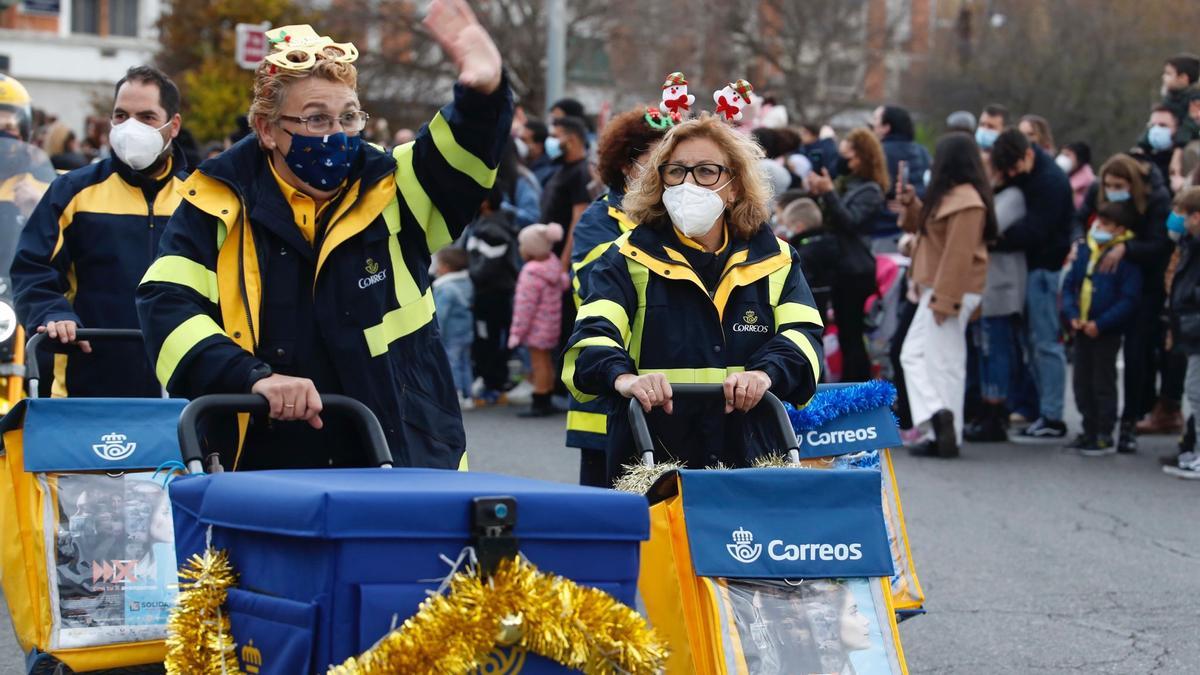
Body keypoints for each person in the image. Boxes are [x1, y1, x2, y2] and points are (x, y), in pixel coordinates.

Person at [136, 6, 512, 470]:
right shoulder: (214, 205)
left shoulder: (391, 185)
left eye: (348, 117)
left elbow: (460, 158)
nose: (337, 135)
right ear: (267, 130)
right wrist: (251, 378)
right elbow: (166, 305)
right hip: (263, 458)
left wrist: (482, 90)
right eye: (316, 120)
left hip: (398, 451)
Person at [563, 114, 823, 474]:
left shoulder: (776, 258)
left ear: (734, 186)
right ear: (660, 180)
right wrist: (626, 379)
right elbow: (591, 338)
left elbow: (804, 338)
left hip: (749, 455)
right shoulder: (625, 256)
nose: (689, 183)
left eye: (706, 171)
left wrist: (764, 375)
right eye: (676, 171)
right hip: (652, 457)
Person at [14, 66, 188, 398]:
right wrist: (53, 313)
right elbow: (32, 269)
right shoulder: (71, 192)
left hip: (178, 394)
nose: (130, 127)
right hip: (86, 389)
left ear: (173, 126)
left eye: (146, 117)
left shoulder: (199, 199)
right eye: (121, 115)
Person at [566, 105, 671, 486]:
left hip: (669, 398)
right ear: (627, 166)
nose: (668, 172)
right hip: (609, 396)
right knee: (608, 520)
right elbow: (595, 294)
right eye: (656, 160)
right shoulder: (600, 221)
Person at [897, 133, 994, 457]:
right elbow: (929, 235)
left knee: (925, 357)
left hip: (948, 290)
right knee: (942, 362)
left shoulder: (966, 200)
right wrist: (911, 204)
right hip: (944, 289)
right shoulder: (957, 197)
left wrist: (946, 298)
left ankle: (938, 419)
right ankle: (941, 426)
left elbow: (958, 253)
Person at [1074, 154, 1173, 449]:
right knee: (1095, 361)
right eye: (1109, 185)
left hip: (1144, 282)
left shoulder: (1157, 197)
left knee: (1136, 354)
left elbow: (1161, 243)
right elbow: (1078, 220)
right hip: (1104, 281)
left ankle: (1129, 420)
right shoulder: (1097, 190)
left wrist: (1126, 249)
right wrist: (1080, 241)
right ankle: (1095, 422)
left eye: (1119, 185)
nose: (1113, 189)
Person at [989, 129, 1074, 443]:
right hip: (1033, 269)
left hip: (1043, 269)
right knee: (1034, 343)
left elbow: (1035, 230)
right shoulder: (1032, 174)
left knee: (1045, 343)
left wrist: (996, 240)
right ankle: (1042, 410)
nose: (1011, 176)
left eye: (1013, 169)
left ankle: (1052, 415)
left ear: (1026, 155)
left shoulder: (1048, 182)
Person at [1062, 202, 1143, 455]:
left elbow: (1129, 299)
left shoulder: (1124, 259)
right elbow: (1069, 286)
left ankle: (1104, 433)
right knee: (1081, 382)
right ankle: (1088, 428)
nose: (1099, 227)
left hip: (1105, 331)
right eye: (1098, 222)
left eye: (1106, 224)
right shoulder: (1086, 250)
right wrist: (1072, 315)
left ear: (1120, 230)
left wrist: (1103, 323)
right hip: (1082, 328)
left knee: (1103, 382)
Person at [807, 128, 887, 383]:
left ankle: (859, 386)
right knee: (843, 332)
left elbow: (849, 222)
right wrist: (819, 193)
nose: (843, 162)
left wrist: (829, 192)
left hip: (856, 270)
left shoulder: (870, 190)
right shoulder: (845, 183)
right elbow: (828, 219)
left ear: (863, 157)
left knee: (852, 334)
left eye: (848, 156)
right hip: (838, 266)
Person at [965, 164, 1027, 443]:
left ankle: (997, 411)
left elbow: (986, 227)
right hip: (984, 288)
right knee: (985, 352)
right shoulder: (989, 198)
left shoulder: (1011, 196)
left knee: (997, 351)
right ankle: (984, 409)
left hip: (1002, 289)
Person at [463, 186, 521, 405]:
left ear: (485, 202)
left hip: (492, 295)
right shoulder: (492, 223)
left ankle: (494, 383)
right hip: (494, 293)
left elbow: (486, 267)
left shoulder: (492, 228)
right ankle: (494, 382)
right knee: (492, 339)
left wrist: (469, 274)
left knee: (489, 339)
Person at [509, 223, 568, 417]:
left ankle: (540, 399)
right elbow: (564, 283)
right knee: (547, 362)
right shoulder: (552, 263)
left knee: (538, 363)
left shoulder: (531, 272)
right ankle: (548, 395)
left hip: (535, 328)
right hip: (551, 325)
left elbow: (524, 307)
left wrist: (516, 333)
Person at [1164, 187, 1200, 478]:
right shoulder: (1190, 242)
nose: (1176, 219)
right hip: (1191, 326)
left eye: (1181, 213)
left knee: (1197, 391)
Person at [871, 105, 932, 253]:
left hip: (882, 231)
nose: (872, 124)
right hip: (916, 231)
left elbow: (868, 193)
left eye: (875, 120)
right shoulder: (923, 152)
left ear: (886, 127)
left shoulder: (877, 153)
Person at [431, 246, 474, 409]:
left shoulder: (445, 288)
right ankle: (467, 394)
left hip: (450, 334)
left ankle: (455, 393)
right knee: (465, 362)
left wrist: (436, 333)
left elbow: (441, 315)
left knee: (451, 363)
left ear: (446, 267)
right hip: (465, 331)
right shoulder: (466, 282)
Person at [541, 116, 591, 244]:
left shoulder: (581, 173)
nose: (550, 141)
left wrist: (564, 262)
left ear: (571, 140)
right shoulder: (563, 168)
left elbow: (577, 222)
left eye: (555, 136)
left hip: (561, 256)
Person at [783, 197, 835, 319]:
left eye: (788, 226)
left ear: (799, 227)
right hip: (827, 302)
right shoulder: (829, 243)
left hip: (809, 307)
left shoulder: (803, 253)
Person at [1057, 141, 1095, 210]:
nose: (1062, 158)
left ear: (1079, 158)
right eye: (1062, 154)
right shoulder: (1064, 175)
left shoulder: (1086, 178)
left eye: (1067, 155)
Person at [519, 118, 556, 187]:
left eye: (524, 140)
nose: (520, 143)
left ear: (538, 146)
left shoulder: (548, 174)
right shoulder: (522, 164)